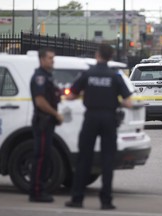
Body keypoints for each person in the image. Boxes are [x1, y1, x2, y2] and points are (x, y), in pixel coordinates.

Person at [65, 44, 133, 210]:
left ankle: (77, 199)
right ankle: (106, 201)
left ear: (97, 55)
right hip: (109, 118)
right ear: (110, 57)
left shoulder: (88, 74)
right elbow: (129, 102)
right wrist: (113, 100)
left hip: (91, 118)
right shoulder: (115, 76)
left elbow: (71, 95)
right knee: (107, 160)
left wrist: (83, 94)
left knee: (84, 159)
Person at [29, 47, 64, 202]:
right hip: (43, 122)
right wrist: (55, 114)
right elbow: (40, 101)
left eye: (53, 58)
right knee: (41, 157)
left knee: (45, 156)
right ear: (42, 59)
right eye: (50, 58)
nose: (52, 61)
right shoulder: (40, 78)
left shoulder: (47, 76)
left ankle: (40, 189)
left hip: (47, 123)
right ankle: (36, 192)